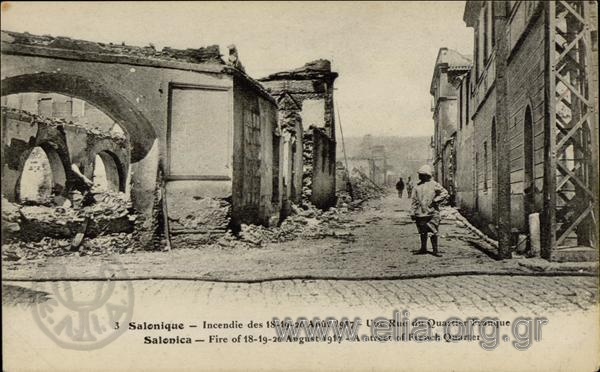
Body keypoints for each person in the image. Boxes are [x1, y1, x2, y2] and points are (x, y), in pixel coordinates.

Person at [410, 165, 448, 257]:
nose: (420, 176)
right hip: (420, 213)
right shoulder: (417, 187)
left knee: (433, 231)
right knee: (423, 232)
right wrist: (412, 212)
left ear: (427, 175)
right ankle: (423, 248)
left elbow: (445, 193)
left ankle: (435, 250)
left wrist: (436, 200)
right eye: (419, 174)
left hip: (432, 212)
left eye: (422, 174)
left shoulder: (434, 184)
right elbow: (414, 200)